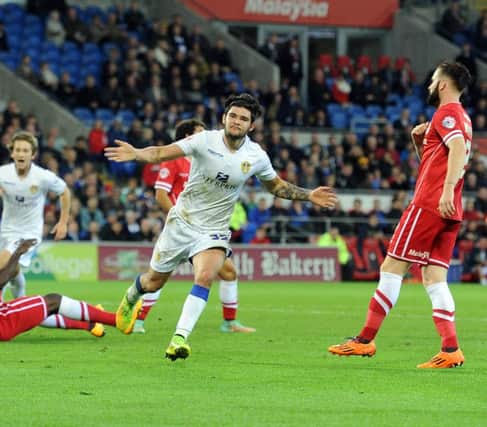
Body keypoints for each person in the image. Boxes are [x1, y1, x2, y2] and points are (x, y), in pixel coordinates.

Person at [105, 93, 337, 360]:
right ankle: (133, 294)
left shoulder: (256, 155)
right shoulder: (204, 140)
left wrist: (309, 195)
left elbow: (276, 186)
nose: (237, 121)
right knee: (153, 282)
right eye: (233, 116)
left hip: (213, 231)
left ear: (251, 126)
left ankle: (179, 338)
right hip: (181, 222)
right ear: (224, 118)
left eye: (244, 118)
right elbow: (160, 153)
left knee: (205, 276)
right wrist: (136, 154)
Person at [328, 61, 472, 369]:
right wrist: (421, 143)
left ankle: (364, 340)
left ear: (444, 84)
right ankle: (450, 349)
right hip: (450, 210)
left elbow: (457, 150)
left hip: (430, 204)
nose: (431, 84)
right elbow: (440, 160)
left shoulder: (446, 113)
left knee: (391, 266)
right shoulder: (463, 118)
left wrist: (446, 189)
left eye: (434, 80)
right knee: (434, 277)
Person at [133, 118, 255, 334]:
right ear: (188, 137)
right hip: (181, 227)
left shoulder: (207, 160)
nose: (206, 136)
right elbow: (161, 194)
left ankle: (229, 323)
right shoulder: (173, 161)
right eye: (199, 133)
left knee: (229, 273)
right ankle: (138, 320)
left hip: (205, 232)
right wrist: (177, 220)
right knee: (159, 277)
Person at [0, 227, 142, 340]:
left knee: (34, 308)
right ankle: (117, 320)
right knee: (53, 300)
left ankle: (90, 321)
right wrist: (18, 253)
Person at [0, 131, 71, 299]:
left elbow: (64, 192)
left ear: (33, 155)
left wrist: (63, 222)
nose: (21, 154)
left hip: (29, 232)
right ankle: (20, 299)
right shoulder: (3, 173)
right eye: (18, 150)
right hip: (7, 231)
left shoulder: (42, 176)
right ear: (12, 153)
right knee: (9, 270)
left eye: (25, 150)